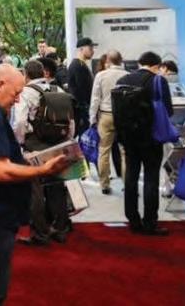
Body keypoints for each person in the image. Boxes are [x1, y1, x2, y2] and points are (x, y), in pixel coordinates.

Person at [0, 64, 70, 306]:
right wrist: (43, 170)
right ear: (0, 85)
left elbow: (1, 162)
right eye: (16, 93)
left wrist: (32, 162)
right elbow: (2, 170)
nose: (18, 99)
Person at [16, 60, 74, 246]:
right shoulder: (60, 90)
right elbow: (70, 121)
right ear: (44, 73)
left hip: (35, 145)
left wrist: (20, 142)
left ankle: (41, 232)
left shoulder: (27, 92)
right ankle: (60, 228)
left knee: (35, 189)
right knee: (57, 186)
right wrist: (67, 140)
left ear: (26, 75)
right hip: (58, 144)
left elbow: (20, 121)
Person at [116, 51, 172, 236]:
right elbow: (168, 110)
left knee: (131, 177)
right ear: (156, 66)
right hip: (151, 136)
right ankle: (150, 222)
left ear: (140, 63)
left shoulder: (123, 80)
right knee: (151, 178)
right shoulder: (158, 81)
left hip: (128, 137)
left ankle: (133, 219)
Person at [89, 49, 128, 194]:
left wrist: (92, 118)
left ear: (108, 61)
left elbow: (95, 99)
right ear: (121, 60)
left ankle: (104, 185)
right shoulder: (127, 75)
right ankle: (127, 184)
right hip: (123, 117)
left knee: (103, 151)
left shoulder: (101, 75)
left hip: (105, 116)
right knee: (125, 151)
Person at [67, 37, 97, 135]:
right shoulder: (78, 65)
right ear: (81, 49)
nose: (93, 51)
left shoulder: (80, 64)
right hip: (81, 109)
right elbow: (83, 90)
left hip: (82, 108)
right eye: (90, 48)